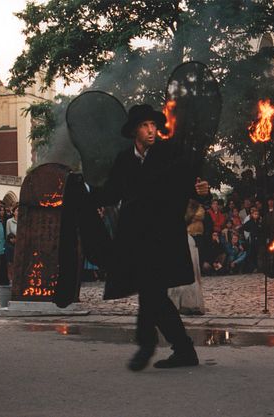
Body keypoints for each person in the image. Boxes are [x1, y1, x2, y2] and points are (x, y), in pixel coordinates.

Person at [87, 104, 209, 371]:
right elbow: (110, 194)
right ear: (134, 131)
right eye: (145, 125)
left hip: (164, 237)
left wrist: (201, 191)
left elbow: (188, 186)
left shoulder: (169, 154)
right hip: (135, 239)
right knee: (152, 293)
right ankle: (183, 350)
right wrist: (84, 189)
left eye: (154, 124)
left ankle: (148, 345)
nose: (152, 129)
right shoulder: (124, 159)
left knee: (151, 291)